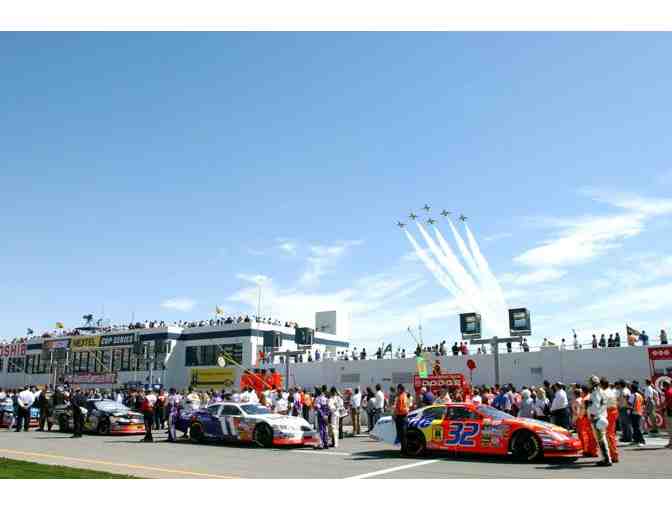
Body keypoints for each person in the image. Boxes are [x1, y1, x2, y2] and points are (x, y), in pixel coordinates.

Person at [587, 375, 612, 467]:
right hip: (602, 417)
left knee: (601, 440)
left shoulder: (595, 393)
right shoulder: (602, 391)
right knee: (602, 439)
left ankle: (606, 459)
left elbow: (595, 406)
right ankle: (606, 458)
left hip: (597, 418)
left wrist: (592, 415)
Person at [574, 387, 598, 457]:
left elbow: (583, 411)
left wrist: (578, 417)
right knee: (592, 435)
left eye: (581, 392)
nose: (580, 393)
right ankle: (593, 451)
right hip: (592, 417)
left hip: (586, 419)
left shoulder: (584, 399)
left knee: (587, 435)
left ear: (584, 392)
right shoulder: (591, 397)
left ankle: (589, 451)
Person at [601, 378, 619, 462]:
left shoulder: (604, 393)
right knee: (610, 434)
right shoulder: (611, 391)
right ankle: (613, 455)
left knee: (608, 435)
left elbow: (601, 405)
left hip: (609, 412)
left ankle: (613, 455)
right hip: (613, 412)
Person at [393, 384, 410, 455]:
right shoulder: (404, 396)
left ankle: (404, 451)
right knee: (403, 435)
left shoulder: (401, 397)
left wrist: (395, 413)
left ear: (400, 389)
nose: (397, 390)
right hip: (403, 416)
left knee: (402, 435)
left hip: (401, 417)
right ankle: (403, 450)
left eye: (398, 389)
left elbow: (400, 408)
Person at [662, 380, 672, 448]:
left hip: (669, 411)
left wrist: (663, 408)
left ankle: (671, 443)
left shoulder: (668, 392)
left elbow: (667, 402)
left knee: (670, 428)